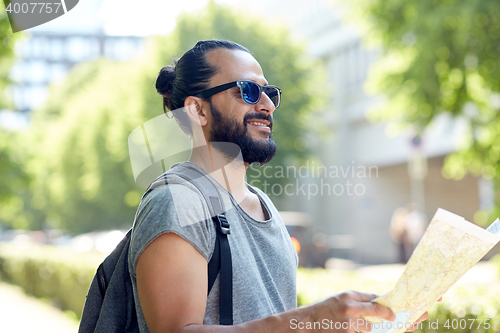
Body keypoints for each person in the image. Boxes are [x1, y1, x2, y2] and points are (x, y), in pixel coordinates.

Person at [128, 40, 428, 333]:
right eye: (248, 91)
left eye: (270, 93)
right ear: (198, 111)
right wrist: (310, 322)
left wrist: (352, 319)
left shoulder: (263, 204)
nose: (268, 105)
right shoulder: (177, 202)